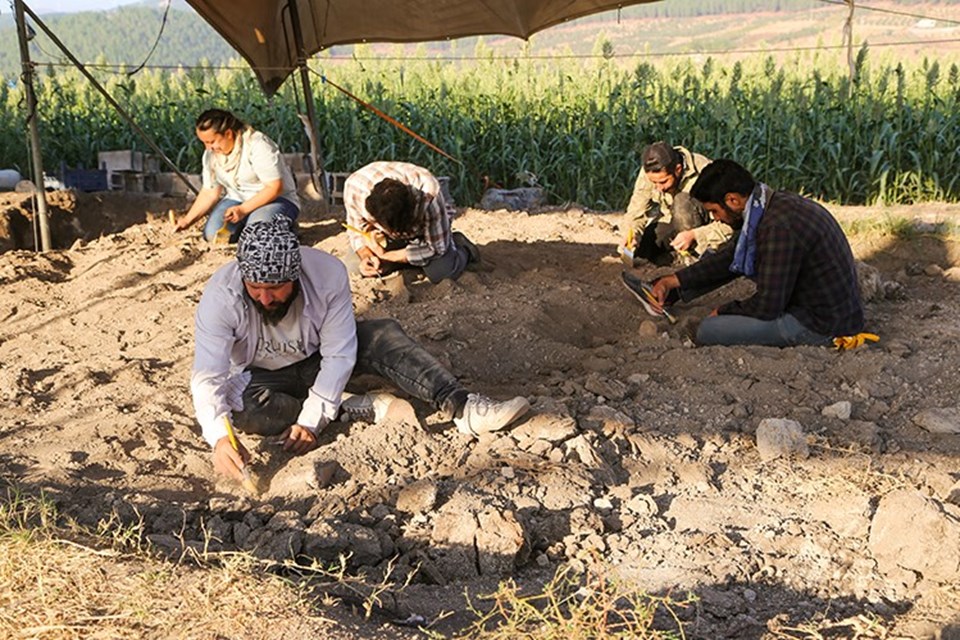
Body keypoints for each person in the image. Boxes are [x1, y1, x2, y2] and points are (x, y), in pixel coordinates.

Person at [191, 218, 529, 483]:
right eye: (256, 288)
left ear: (294, 274)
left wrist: (310, 423)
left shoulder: (326, 274)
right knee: (241, 411)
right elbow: (209, 377)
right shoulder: (221, 297)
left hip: (317, 358)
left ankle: (462, 406)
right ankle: (350, 405)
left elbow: (339, 353)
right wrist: (220, 439)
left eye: (275, 288)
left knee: (384, 334)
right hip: (261, 377)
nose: (265, 298)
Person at [623, 159, 864, 347]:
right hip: (829, 309)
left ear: (733, 200)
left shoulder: (777, 228)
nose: (716, 219)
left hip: (823, 325)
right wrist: (673, 280)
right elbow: (730, 259)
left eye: (715, 212)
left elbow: (768, 304)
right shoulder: (769, 205)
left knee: (707, 330)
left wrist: (723, 312)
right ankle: (670, 294)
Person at [174, 109, 300, 243]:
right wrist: (187, 221)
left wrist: (243, 209)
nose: (208, 148)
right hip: (237, 200)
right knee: (212, 235)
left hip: (275, 199)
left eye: (211, 142)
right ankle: (250, 226)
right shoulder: (210, 155)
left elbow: (274, 188)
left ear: (228, 133)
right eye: (204, 142)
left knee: (258, 235)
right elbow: (210, 193)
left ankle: (285, 226)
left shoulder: (258, 144)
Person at [342, 161, 479, 283]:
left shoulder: (430, 195)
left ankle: (463, 248)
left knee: (442, 273)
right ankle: (412, 261)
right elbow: (356, 231)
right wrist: (367, 255)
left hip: (426, 234)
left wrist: (386, 256)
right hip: (384, 239)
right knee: (354, 266)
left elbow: (436, 249)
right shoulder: (355, 189)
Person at [620, 142, 732, 266]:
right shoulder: (651, 172)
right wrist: (631, 235)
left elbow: (729, 226)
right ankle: (675, 257)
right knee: (644, 249)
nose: (659, 188)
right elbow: (635, 212)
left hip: (706, 228)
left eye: (663, 182)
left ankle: (695, 258)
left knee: (682, 202)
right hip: (671, 221)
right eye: (654, 183)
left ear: (678, 169)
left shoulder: (706, 173)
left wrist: (695, 235)